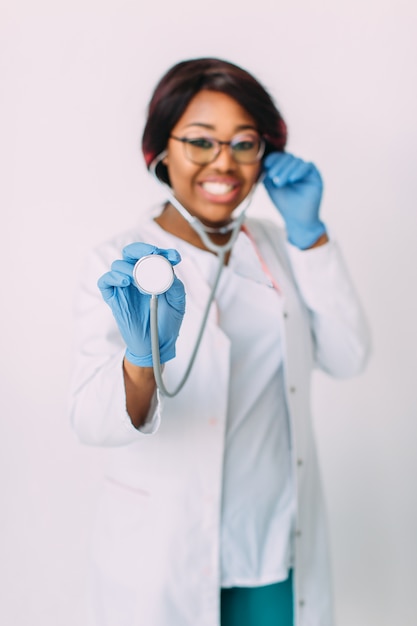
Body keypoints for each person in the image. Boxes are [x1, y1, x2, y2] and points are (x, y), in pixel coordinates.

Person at [69, 58, 370, 626]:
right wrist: (140, 363)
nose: (224, 163)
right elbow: (92, 420)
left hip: (274, 552)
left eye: (244, 143)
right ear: (161, 150)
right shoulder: (118, 260)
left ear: (266, 155)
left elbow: (349, 356)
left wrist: (312, 237)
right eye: (200, 142)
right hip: (167, 561)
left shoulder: (281, 247)